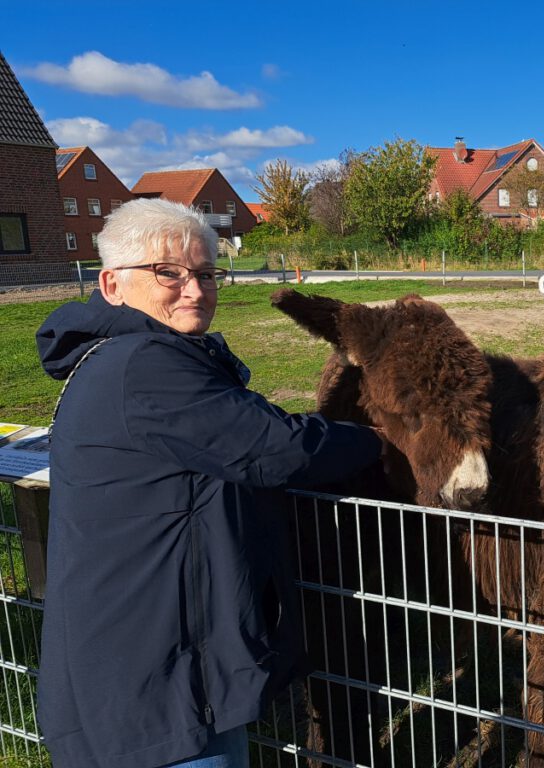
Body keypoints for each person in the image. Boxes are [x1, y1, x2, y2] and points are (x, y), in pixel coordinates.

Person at [35, 198, 383, 768]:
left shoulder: (121, 356)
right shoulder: (144, 364)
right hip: (159, 687)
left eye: (205, 273)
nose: (194, 290)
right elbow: (276, 448)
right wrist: (382, 437)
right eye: (168, 273)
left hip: (138, 659)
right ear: (111, 283)